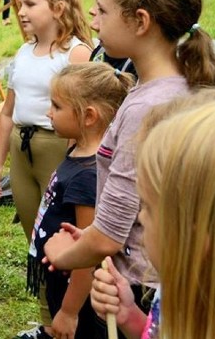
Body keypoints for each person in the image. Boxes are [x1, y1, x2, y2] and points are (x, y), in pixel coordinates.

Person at [42, 0, 215, 338]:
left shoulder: (147, 108)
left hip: (139, 288)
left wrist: (65, 254)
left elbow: (109, 234)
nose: (94, 19)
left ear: (140, 21)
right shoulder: (175, 86)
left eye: (103, 11)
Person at [0, 0, 93, 339]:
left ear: (59, 8)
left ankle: (71, 316)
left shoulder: (77, 53)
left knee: (62, 238)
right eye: (20, 3)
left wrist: (70, 165)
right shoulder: (24, 50)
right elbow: (8, 110)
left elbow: (85, 121)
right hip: (22, 148)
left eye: (30, 3)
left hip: (57, 151)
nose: (21, 11)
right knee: (37, 240)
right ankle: (49, 320)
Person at [90, 89, 215, 339]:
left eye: (146, 206)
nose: (142, 218)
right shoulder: (172, 290)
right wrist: (129, 315)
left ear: (197, 236)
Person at [26, 63, 134, 339]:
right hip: (60, 278)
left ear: (88, 116)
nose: (49, 113)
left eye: (57, 106)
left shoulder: (89, 175)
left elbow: (89, 255)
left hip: (79, 294)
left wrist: (69, 311)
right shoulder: (76, 149)